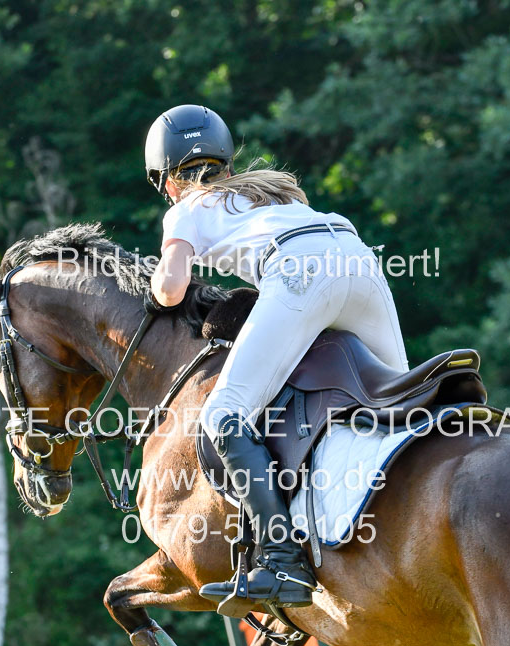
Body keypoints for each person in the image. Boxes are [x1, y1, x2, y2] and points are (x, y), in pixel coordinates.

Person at [144, 104, 408, 616]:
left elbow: (172, 290)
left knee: (223, 416)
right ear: (226, 162)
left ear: (168, 181)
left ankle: (282, 559)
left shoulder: (185, 208)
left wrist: (155, 283)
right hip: (359, 260)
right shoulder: (268, 192)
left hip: (298, 271)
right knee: (399, 399)